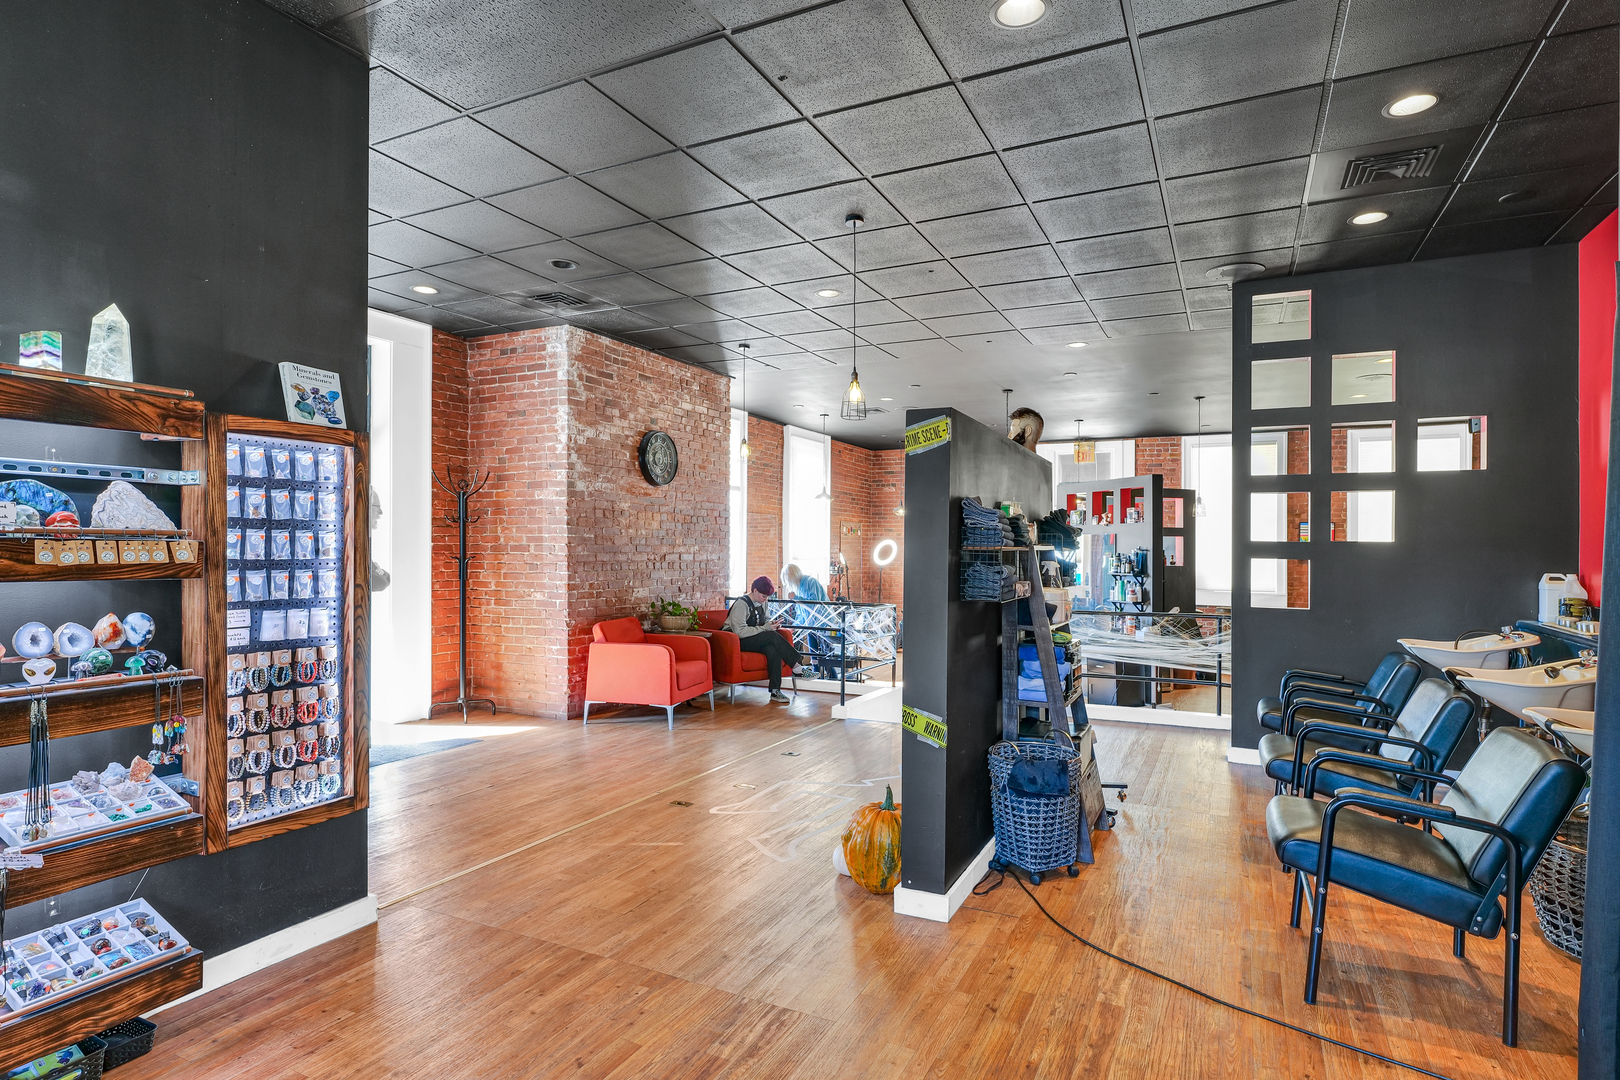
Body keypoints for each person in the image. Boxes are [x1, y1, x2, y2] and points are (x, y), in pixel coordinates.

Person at [722, 576, 802, 703]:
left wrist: (772, 624)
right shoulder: (741, 604)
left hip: (752, 637)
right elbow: (740, 631)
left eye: (767, 597)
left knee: (772, 650)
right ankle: (796, 666)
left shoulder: (762, 603)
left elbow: (763, 623)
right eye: (763, 596)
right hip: (735, 641)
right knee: (770, 636)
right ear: (754, 591)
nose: (765, 600)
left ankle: (775, 691)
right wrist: (765, 628)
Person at [780, 563, 829, 677]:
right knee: (814, 654)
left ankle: (832, 678)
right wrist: (795, 626)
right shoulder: (798, 587)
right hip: (810, 626)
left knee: (825, 653)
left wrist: (796, 598)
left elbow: (814, 603)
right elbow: (801, 611)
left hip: (822, 624)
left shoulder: (810, 582)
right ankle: (817, 676)